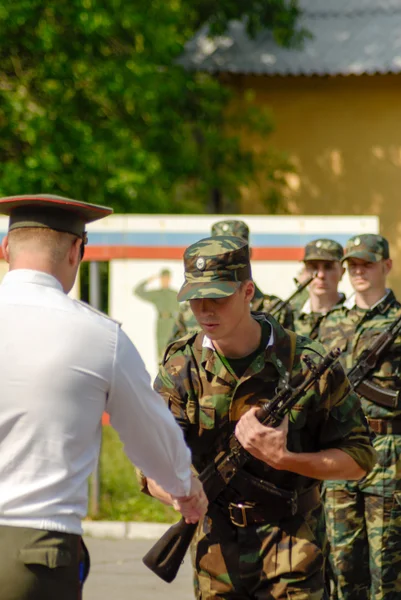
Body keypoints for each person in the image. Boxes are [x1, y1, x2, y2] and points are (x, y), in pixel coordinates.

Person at [141, 235, 376, 599]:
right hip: (216, 551)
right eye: (195, 299)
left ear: (247, 291)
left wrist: (286, 459)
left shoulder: (307, 363)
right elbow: (151, 459)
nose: (204, 310)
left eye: (217, 298)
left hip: (295, 545)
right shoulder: (181, 366)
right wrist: (178, 492)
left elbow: (360, 458)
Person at [0, 194, 207, 600]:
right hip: (34, 555)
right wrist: (186, 490)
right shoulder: (99, 336)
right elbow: (153, 437)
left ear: (5, 248)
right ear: (78, 250)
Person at [318, 234, 401, 600]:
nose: (358, 271)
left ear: (387, 266)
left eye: (367, 263)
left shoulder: (398, 321)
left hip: (387, 451)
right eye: (352, 264)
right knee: (342, 562)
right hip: (339, 452)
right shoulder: (331, 322)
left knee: (386, 566)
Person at [168, 219, 293, 344]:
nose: (226, 255)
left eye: (233, 251)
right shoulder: (188, 312)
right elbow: (170, 357)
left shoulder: (276, 308)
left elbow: (288, 354)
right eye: (219, 251)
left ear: (248, 253)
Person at [293, 239, 346, 339]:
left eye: (328, 267)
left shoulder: (353, 317)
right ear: (304, 271)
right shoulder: (290, 317)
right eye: (313, 267)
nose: (321, 275)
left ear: (342, 272)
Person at [133, 268, 179, 362]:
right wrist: (149, 280)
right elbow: (138, 291)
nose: (165, 281)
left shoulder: (174, 294)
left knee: (174, 350)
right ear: (160, 279)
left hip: (172, 323)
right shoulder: (157, 294)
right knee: (161, 350)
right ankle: (161, 373)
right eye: (163, 278)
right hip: (161, 322)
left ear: (169, 279)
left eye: (166, 278)